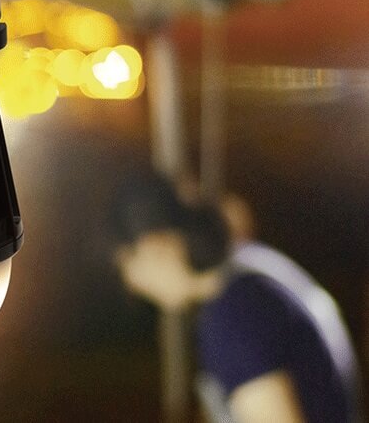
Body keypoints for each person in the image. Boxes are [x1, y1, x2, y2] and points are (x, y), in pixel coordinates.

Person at [114, 175, 362, 423]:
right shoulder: (252, 269)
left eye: (126, 261)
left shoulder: (233, 315)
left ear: (154, 244)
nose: (132, 284)